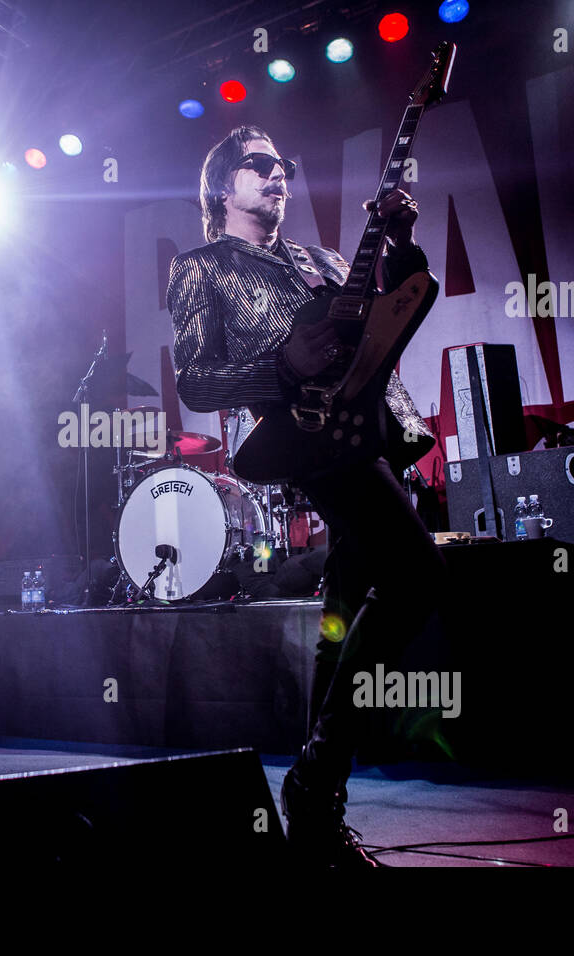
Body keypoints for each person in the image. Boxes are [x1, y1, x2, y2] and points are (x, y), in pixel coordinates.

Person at [169, 126, 446, 867]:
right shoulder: (202, 267)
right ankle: (317, 774)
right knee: (418, 574)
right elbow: (196, 381)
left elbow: (386, 326)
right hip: (305, 436)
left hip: (369, 433)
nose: (278, 174)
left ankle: (318, 809)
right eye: (260, 164)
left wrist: (399, 244)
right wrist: (282, 362)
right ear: (224, 185)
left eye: (283, 163)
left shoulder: (322, 259)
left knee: (345, 614)